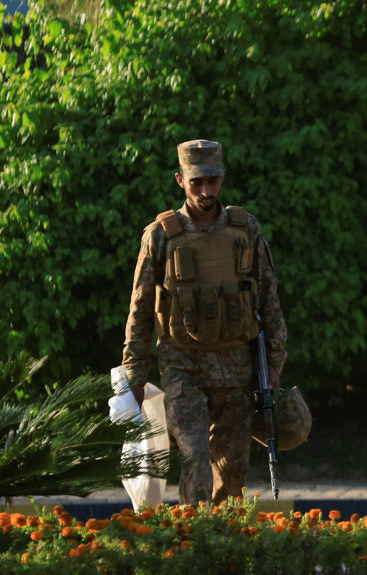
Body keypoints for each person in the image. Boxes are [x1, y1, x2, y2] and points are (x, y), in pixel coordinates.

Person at [122, 139, 287, 505]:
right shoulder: (161, 235)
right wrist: (135, 373)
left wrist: (275, 362)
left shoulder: (246, 229)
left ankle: (223, 549)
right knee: (194, 460)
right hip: (182, 365)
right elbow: (141, 308)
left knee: (231, 475)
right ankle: (192, 543)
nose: (205, 190)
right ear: (180, 180)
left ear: (222, 178)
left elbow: (268, 298)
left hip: (236, 367)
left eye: (212, 181)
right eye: (196, 182)